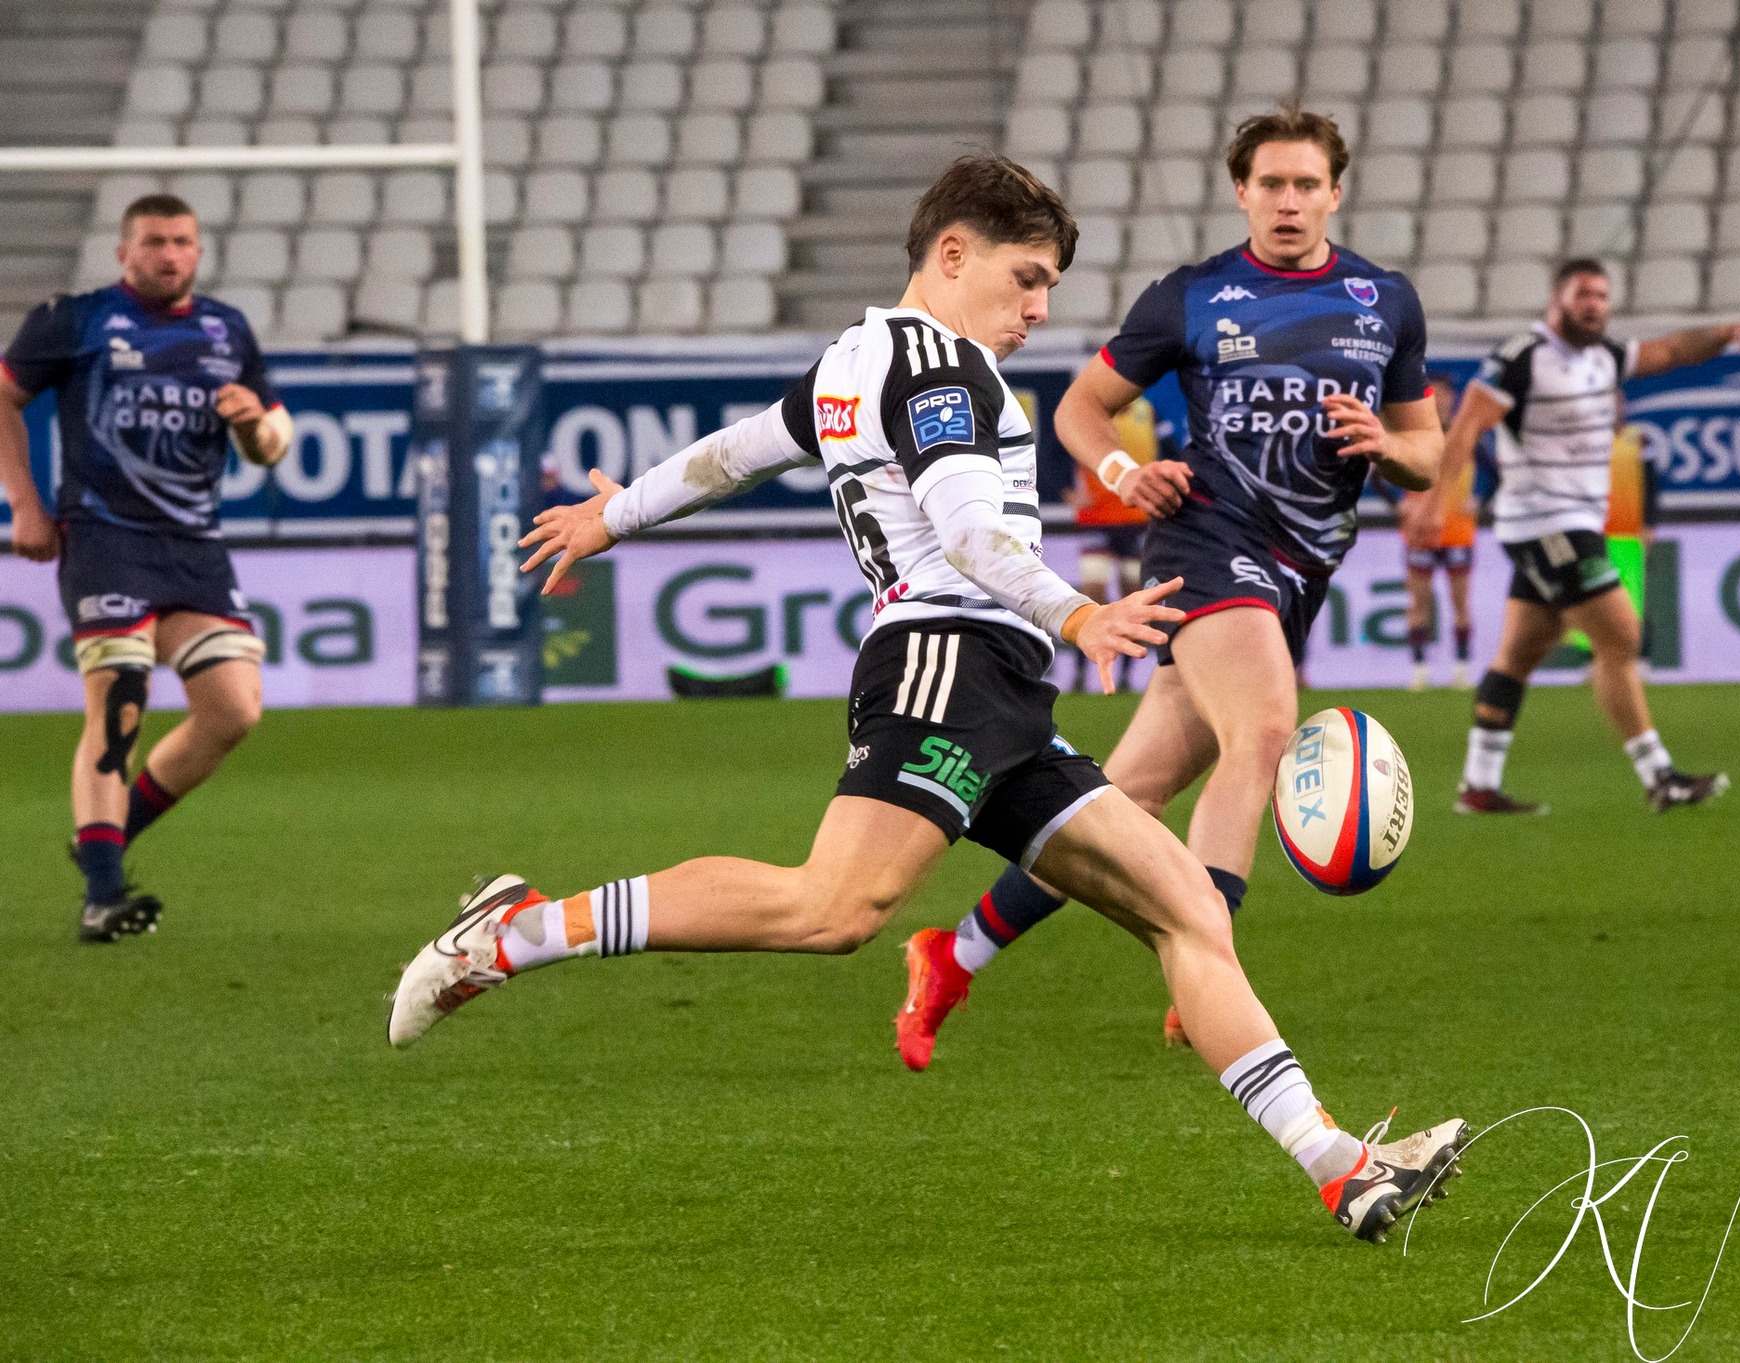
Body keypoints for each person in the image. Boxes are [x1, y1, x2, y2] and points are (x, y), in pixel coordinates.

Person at [387, 156, 1469, 1243]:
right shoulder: (939, 369)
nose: (1039, 309)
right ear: (951, 255)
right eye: (1026, 279)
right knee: (832, 909)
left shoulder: (855, 361)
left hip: (994, 686)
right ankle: (515, 935)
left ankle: (1341, 1167)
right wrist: (1077, 614)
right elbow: (963, 529)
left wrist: (612, 516)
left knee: (1186, 908)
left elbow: (736, 455)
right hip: (945, 663)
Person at [890, 107, 1443, 1067]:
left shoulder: (1385, 303)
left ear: (1335, 193)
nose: (1287, 200)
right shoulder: (1194, 297)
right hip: (1208, 542)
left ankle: (954, 951)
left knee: (1125, 797)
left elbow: (1428, 455)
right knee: (1266, 730)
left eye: (1306, 184)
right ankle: (1210, 967)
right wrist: (1122, 475)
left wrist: (1386, 446)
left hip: (1299, 570)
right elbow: (1081, 411)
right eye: (1269, 183)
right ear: (1241, 191)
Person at [0, 193, 291, 942]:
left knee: (233, 708)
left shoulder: (227, 330)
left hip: (194, 546)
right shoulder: (78, 318)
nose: (170, 254)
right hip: (104, 537)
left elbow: (273, 439)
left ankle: (104, 837)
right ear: (124, 252)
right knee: (120, 699)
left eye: (183, 241)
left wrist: (254, 426)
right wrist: (24, 505)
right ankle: (103, 895)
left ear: (198, 250)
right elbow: (4, 395)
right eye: (155, 241)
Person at [1424, 258, 1740, 815]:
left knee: (1520, 653)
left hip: (1572, 522)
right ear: (1556, 299)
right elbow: (1465, 427)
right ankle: (1661, 776)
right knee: (1620, 637)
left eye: (1603, 296)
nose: (1595, 305)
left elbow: (1671, 352)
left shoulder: (1604, 358)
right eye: (1583, 294)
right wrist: (1435, 507)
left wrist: (1729, 334)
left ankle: (1478, 785)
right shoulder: (1523, 357)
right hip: (1544, 522)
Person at [1061, 395, 1156, 692]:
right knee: (1092, 593)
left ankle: (1125, 677)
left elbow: (1171, 451)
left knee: (1132, 599)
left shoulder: (1147, 411)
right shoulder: (1087, 411)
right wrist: (1065, 490)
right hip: (1097, 520)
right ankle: (1078, 675)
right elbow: (1055, 451)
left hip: (1136, 518)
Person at [1397, 374, 1478, 692]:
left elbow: (1495, 471)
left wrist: (1479, 501)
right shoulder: (1414, 436)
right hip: (1419, 533)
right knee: (1418, 602)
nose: (1441, 403)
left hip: (1457, 531)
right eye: (1435, 396)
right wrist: (1399, 505)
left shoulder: (1465, 436)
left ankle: (1462, 668)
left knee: (1460, 602)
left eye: (1446, 396)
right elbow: (1379, 473)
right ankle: (1419, 670)